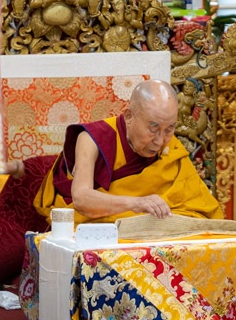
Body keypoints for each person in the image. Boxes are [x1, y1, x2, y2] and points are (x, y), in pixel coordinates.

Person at [34, 79, 224, 226]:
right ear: (129, 116)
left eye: (169, 129)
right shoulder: (93, 138)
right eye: (153, 128)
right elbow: (81, 198)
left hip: (150, 233)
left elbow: (198, 206)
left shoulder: (170, 147)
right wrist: (137, 204)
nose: (160, 141)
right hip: (95, 228)